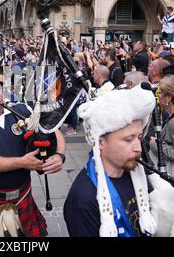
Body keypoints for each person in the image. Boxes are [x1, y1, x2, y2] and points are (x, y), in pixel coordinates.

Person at [0, 66, 66, 237]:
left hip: (24, 195)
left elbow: (53, 130)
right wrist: (22, 162)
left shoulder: (21, 110)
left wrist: (59, 155)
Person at [64, 85, 157, 237]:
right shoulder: (83, 200)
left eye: (139, 137)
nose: (138, 148)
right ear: (100, 142)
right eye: (128, 139)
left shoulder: (135, 173)